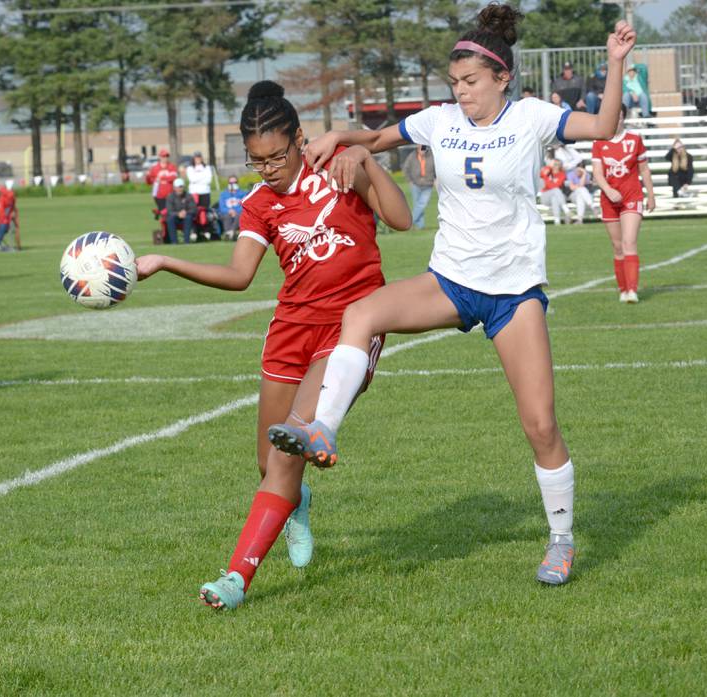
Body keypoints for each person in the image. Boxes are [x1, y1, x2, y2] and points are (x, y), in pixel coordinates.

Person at [268, 6, 639, 587]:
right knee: (361, 313)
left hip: (512, 295)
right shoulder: (440, 121)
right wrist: (343, 134)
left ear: (501, 78)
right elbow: (378, 138)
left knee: (540, 425)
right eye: (455, 85)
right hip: (449, 282)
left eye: (470, 83)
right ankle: (324, 429)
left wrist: (615, 64)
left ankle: (561, 540)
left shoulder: (533, 117)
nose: (461, 94)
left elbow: (604, 128)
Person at [135, 81, 411, 611]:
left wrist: (369, 163)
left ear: (300, 141)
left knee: (286, 454)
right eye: (257, 161)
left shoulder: (338, 170)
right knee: (268, 463)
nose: (268, 169)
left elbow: (401, 220)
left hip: (349, 329)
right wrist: (165, 261)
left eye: (277, 156)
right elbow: (240, 275)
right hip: (289, 332)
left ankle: (236, 578)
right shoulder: (260, 204)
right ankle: (295, 500)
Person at [591, 104, 656, 304]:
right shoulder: (599, 142)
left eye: (618, 116)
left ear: (623, 118)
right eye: (611, 116)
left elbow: (644, 170)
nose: (615, 120)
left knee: (629, 242)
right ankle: (623, 288)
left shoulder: (635, 140)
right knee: (617, 246)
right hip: (609, 199)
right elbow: (597, 173)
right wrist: (609, 191)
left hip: (631, 197)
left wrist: (651, 195)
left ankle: (632, 291)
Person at [401, 144, 436, 228]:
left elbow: (437, 168)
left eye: (424, 147)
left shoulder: (431, 156)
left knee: (422, 204)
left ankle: (410, 221)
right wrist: (409, 181)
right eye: (421, 147)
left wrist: (436, 179)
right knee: (417, 204)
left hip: (428, 184)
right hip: (415, 184)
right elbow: (405, 168)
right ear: (417, 147)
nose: (422, 149)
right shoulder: (412, 156)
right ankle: (420, 226)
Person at [145, 148, 178, 213]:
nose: (165, 158)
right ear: (160, 157)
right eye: (163, 156)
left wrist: (162, 178)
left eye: (166, 156)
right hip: (159, 195)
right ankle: (159, 212)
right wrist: (147, 177)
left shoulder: (171, 167)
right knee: (164, 213)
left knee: (170, 212)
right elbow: (149, 182)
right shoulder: (155, 168)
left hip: (170, 194)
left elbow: (173, 177)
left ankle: (157, 212)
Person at [165, 178, 197, 244]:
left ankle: (186, 241)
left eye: (181, 187)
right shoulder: (170, 197)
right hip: (175, 216)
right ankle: (174, 242)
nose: (179, 189)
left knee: (188, 218)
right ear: (174, 188)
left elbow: (193, 209)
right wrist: (178, 214)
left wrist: (186, 212)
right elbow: (169, 211)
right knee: (170, 219)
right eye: (177, 187)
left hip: (186, 215)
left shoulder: (188, 196)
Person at [539, 159, 571, 225]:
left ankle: (557, 221)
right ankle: (565, 209)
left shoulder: (562, 174)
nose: (556, 166)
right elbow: (543, 177)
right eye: (555, 164)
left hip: (557, 197)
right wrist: (548, 171)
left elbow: (557, 185)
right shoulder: (547, 171)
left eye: (558, 165)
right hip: (545, 196)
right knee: (556, 190)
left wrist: (547, 180)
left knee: (555, 199)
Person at [217, 175, 247, 240]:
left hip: (238, 213)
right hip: (226, 213)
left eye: (235, 183)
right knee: (227, 216)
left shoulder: (242, 193)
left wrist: (235, 211)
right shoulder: (223, 194)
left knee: (239, 215)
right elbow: (221, 207)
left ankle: (230, 233)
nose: (233, 184)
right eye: (231, 183)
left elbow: (244, 205)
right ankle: (230, 233)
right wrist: (229, 211)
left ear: (237, 183)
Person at [0, 184, 20, 249]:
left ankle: (17, 246)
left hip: (9, 217)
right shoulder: (2, 198)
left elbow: (12, 205)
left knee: (16, 228)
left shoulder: (10, 197)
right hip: (2, 219)